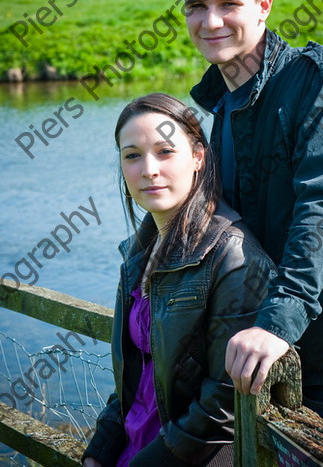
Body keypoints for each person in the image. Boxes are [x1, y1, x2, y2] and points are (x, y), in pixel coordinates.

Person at [177, 0, 323, 451]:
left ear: (264, 4)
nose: (211, 21)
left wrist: (277, 321)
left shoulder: (317, 76)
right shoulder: (220, 111)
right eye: (197, 6)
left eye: (229, 4)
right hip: (259, 369)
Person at [82, 93, 276, 466]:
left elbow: (224, 404)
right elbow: (135, 377)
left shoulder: (233, 256)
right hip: (132, 449)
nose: (149, 169)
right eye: (132, 155)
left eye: (165, 151)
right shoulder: (139, 254)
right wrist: (99, 452)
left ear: (198, 157)